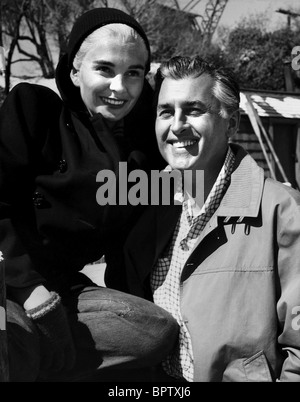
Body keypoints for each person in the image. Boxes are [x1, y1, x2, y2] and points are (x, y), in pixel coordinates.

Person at [0, 8, 178, 382]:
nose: (120, 87)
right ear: (73, 70)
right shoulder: (34, 109)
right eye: (105, 69)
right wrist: (32, 294)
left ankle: (33, 364)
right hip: (9, 276)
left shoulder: (142, 148)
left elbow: (128, 242)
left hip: (65, 288)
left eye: (133, 73)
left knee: (154, 331)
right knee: (10, 334)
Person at [124, 55, 300, 382]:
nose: (177, 125)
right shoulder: (145, 204)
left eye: (193, 110)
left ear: (231, 124)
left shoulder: (282, 210)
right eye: (166, 112)